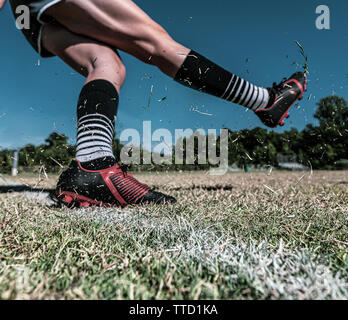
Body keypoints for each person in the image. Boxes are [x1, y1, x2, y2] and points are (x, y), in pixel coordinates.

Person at [2, 0, 307, 208]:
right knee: (156, 42)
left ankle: (92, 166)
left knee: (106, 64)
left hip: (27, 13)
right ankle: (265, 101)